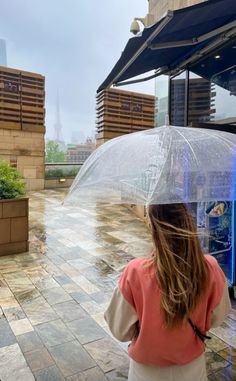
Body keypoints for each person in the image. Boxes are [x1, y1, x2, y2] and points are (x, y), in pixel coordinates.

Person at [104, 203, 231, 381]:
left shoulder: (135, 272)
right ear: (186, 220)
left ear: (151, 226)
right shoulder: (209, 267)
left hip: (146, 372)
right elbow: (218, 316)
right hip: (192, 370)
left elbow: (119, 330)